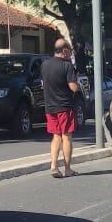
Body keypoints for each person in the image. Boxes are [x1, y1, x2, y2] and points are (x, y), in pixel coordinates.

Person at [41, 39, 81, 178]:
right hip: (64, 106)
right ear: (64, 51)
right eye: (69, 50)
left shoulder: (45, 64)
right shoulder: (67, 65)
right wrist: (78, 84)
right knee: (66, 137)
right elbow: (73, 87)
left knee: (56, 135)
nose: (70, 52)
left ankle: (53, 166)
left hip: (50, 107)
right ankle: (68, 169)